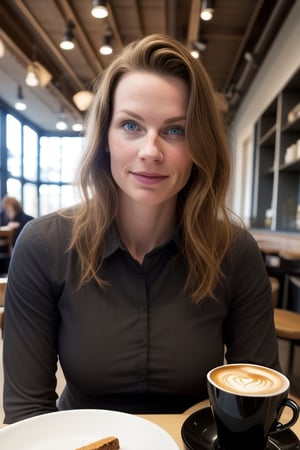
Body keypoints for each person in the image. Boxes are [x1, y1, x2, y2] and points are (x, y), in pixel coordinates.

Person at [2, 33, 280, 424]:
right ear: (105, 139)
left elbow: (257, 409)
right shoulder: (43, 246)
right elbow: (27, 415)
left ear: (201, 145)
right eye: (131, 125)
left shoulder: (234, 251)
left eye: (175, 130)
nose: (151, 151)